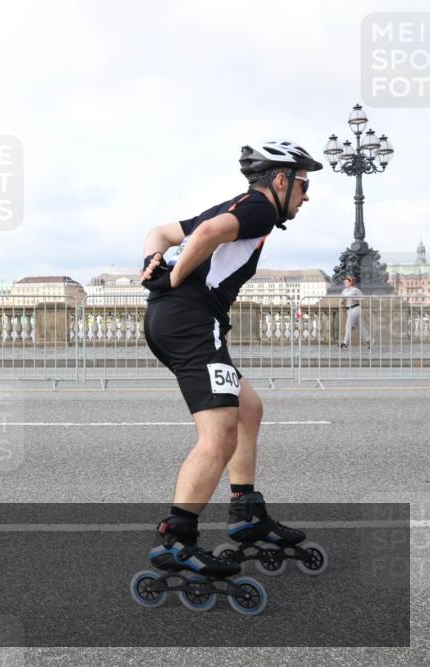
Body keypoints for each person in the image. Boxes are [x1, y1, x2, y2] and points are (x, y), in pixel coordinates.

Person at [139, 141, 322, 581]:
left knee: (249, 409)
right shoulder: (258, 208)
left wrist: (154, 261)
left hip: (181, 320)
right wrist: (171, 277)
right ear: (281, 180)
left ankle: (246, 513)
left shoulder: (234, 205)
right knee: (218, 433)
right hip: (190, 320)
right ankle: (178, 541)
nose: (306, 195)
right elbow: (203, 237)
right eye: (303, 184)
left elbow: (160, 233)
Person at [339, 275, 371, 350]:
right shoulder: (344, 291)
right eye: (344, 282)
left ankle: (345, 344)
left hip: (355, 308)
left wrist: (355, 298)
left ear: (351, 282)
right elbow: (342, 301)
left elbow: (362, 298)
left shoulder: (355, 290)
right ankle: (369, 340)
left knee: (348, 326)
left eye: (346, 282)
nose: (345, 284)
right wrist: (342, 301)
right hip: (348, 309)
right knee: (359, 327)